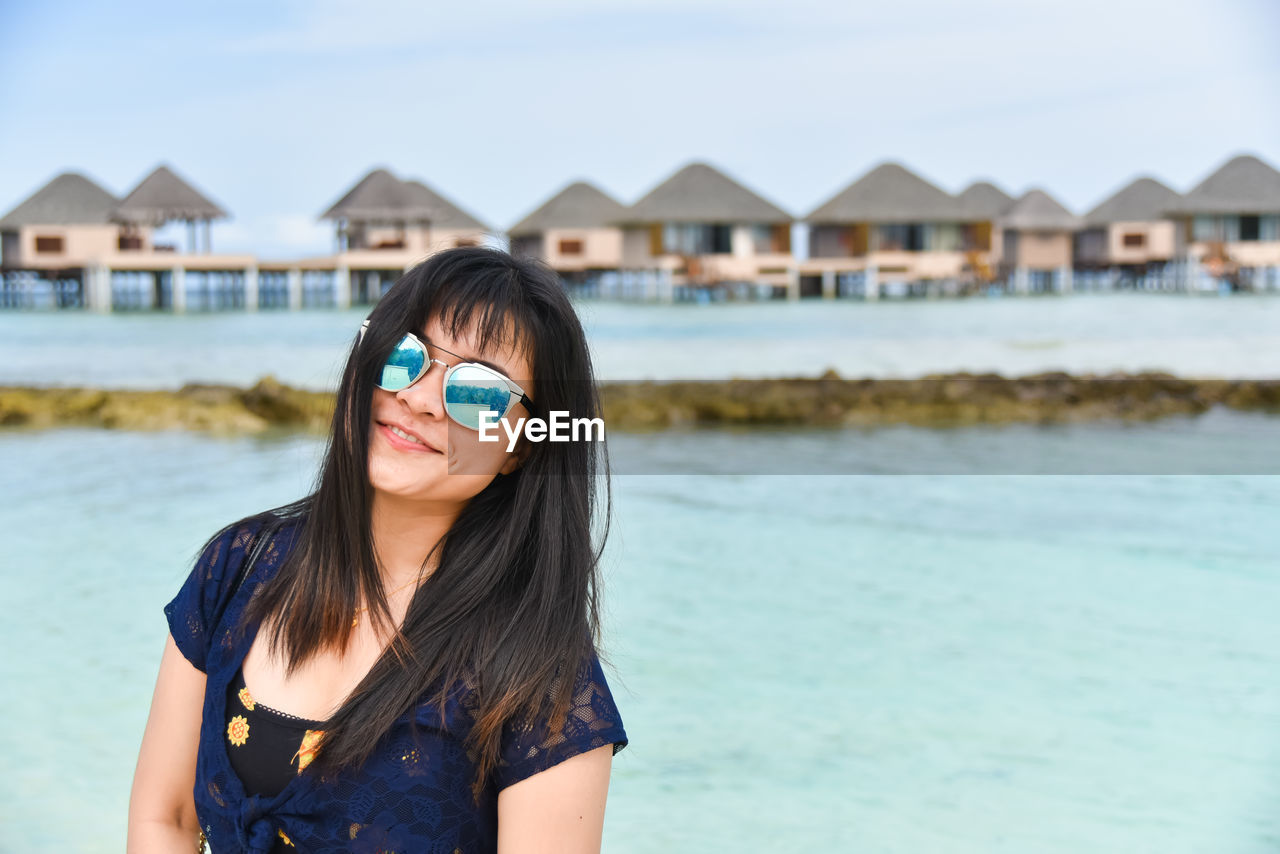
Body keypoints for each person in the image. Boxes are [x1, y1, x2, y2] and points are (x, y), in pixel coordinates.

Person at [128, 247, 628, 853]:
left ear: (522, 447)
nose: (418, 398)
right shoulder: (239, 566)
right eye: (406, 354)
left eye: (478, 389)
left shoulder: (540, 673)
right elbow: (167, 818)